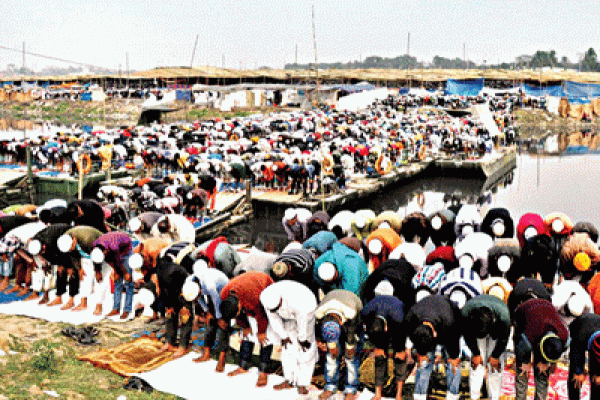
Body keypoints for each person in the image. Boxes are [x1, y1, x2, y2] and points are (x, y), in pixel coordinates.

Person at [260, 280, 318, 395]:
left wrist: (302, 339)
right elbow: (274, 319)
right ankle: (289, 380)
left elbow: (303, 321)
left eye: (277, 308)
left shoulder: (299, 301)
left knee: (306, 349)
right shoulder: (266, 298)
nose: (274, 310)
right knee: (287, 347)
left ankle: (303, 383)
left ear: (281, 300)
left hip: (307, 311)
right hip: (287, 316)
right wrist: (284, 336)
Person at [219, 271, 274, 387]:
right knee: (247, 334)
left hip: (265, 285)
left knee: (265, 337)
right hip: (246, 286)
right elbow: (237, 315)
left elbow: (262, 315)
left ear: (240, 305)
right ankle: (243, 366)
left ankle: (264, 371)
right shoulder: (224, 295)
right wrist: (244, 325)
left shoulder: (253, 298)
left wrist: (261, 332)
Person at [405, 294, 463, 400]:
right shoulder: (411, 318)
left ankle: (453, 395)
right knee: (424, 363)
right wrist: (421, 354)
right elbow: (412, 337)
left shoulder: (450, 322)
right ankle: (419, 396)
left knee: (452, 365)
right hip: (429, 319)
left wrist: (453, 357)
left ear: (435, 334)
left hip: (451, 325)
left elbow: (454, 342)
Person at [513, 298, 568, 400]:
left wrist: (546, 362)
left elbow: (557, 351)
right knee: (523, 371)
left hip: (544, 315)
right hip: (523, 316)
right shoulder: (528, 336)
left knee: (542, 371)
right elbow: (521, 346)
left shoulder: (564, 336)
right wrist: (524, 362)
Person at [315, 289, 363, 400]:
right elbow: (321, 332)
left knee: (351, 358)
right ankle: (330, 387)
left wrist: (350, 347)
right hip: (333, 301)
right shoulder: (319, 314)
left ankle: (351, 388)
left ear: (341, 323)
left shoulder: (351, 313)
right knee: (331, 357)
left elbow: (352, 334)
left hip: (353, 310)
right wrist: (330, 345)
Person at [361, 295, 412, 400]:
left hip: (398, 327)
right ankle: (378, 394)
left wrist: (403, 349)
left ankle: (398, 395)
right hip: (377, 323)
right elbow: (368, 330)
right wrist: (377, 347)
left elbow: (404, 333)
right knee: (379, 357)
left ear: (386, 328)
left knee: (399, 358)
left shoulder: (399, 317)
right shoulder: (365, 313)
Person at [462, 294, 511, 400]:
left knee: (495, 367)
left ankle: (494, 396)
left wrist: (495, 355)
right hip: (476, 328)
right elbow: (467, 333)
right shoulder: (466, 313)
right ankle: (474, 396)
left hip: (497, 330)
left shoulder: (504, 317)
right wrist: (476, 353)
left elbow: (504, 338)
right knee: (476, 365)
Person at [189, 260, 230, 369]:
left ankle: (222, 357)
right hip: (214, 295)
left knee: (223, 325)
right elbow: (198, 297)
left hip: (225, 293)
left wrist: (219, 317)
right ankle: (206, 353)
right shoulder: (191, 282)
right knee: (210, 323)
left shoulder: (209, 283)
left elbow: (217, 300)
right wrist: (207, 311)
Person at [55, 225, 103, 311]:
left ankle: (99, 305)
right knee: (83, 277)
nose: (70, 250)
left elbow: (97, 255)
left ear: (74, 241)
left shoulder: (88, 240)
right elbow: (73, 255)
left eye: (71, 248)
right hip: (85, 254)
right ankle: (83, 303)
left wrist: (97, 271)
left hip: (100, 253)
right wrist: (79, 268)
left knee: (99, 280)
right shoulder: (66, 238)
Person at [91, 231, 133, 319]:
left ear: (105, 251)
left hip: (125, 249)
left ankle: (127, 310)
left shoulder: (114, 247)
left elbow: (119, 261)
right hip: (113, 250)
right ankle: (116, 309)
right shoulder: (95, 246)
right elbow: (107, 260)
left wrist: (125, 273)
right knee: (117, 281)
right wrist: (99, 271)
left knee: (128, 282)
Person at [568, 313, 600, 400]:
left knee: (597, 381)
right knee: (576, 379)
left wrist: (598, 373)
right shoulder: (579, 337)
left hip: (594, 331)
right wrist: (578, 372)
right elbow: (575, 354)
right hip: (578, 328)